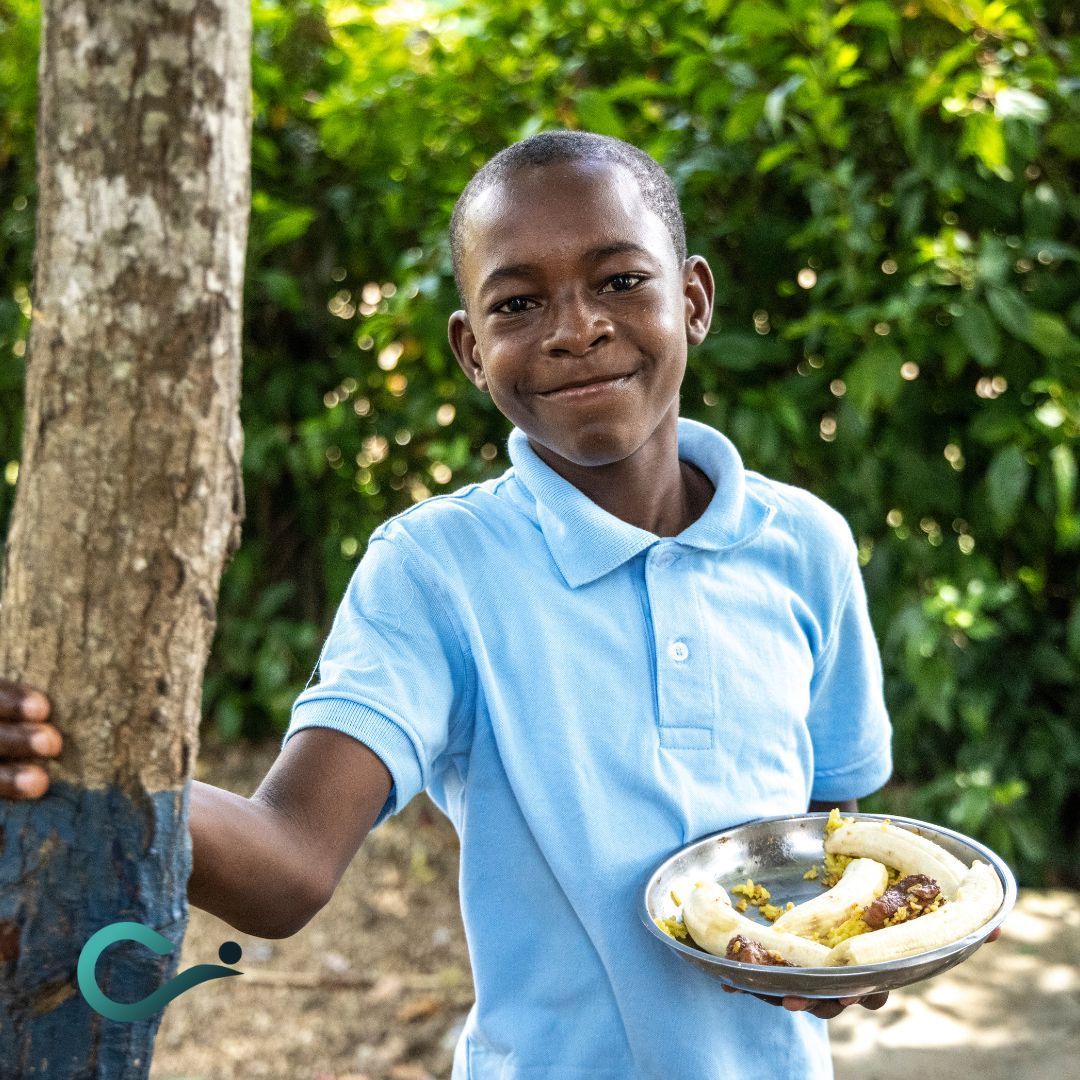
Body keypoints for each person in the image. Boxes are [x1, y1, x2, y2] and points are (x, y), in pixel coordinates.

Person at [0, 130, 998, 1077]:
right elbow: (287, 867)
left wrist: (847, 956)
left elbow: (829, 838)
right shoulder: (439, 572)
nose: (577, 329)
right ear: (471, 349)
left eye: (620, 282)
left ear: (692, 299)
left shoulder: (804, 548)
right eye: (518, 305)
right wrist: (92, 763)